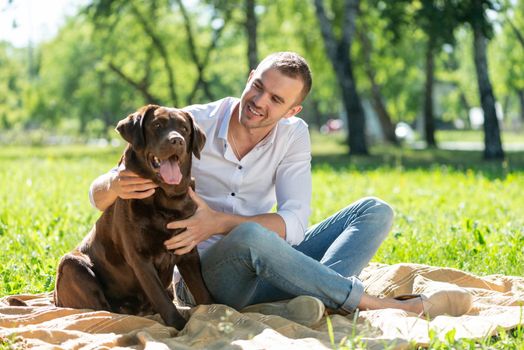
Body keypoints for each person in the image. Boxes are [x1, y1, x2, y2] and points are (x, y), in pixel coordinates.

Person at [89, 52, 466, 326]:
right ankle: (374, 304)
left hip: (268, 262)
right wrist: (112, 183)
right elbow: (100, 195)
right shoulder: (189, 124)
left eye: (276, 100)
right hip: (203, 277)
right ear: (251, 76)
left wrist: (217, 221)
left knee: (375, 211)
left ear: (292, 112)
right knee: (251, 233)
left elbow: (296, 222)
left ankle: (305, 302)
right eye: (258, 87)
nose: (258, 102)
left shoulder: (293, 136)